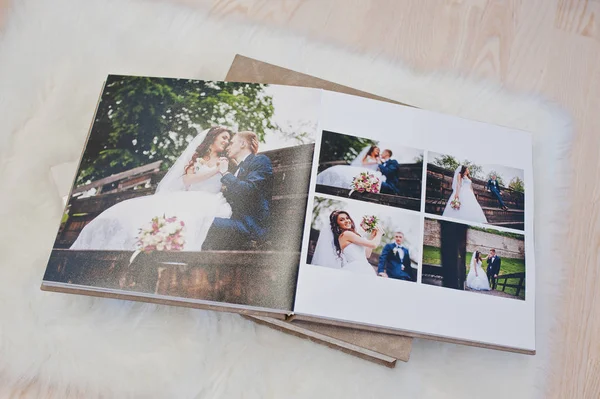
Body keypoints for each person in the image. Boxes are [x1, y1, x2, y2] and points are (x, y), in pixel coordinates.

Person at [70, 126, 234, 251]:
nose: (226, 141)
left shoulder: (225, 161)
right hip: (188, 196)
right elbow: (188, 180)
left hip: (209, 199)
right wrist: (214, 171)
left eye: (228, 140)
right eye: (224, 137)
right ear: (212, 137)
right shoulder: (196, 158)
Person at [201, 131, 273, 250]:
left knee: (203, 223)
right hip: (234, 220)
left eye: (231, 143)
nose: (227, 147)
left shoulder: (260, 161)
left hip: (250, 226)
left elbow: (249, 190)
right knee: (197, 218)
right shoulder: (237, 169)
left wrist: (225, 173)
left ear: (243, 144)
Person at [311, 210, 382, 275]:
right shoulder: (346, 234)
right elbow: (374, 245)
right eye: (342, 220)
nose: (347, 221)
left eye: (347, 218)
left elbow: (367, 255)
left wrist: (372, 237)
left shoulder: (350, 235)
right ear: (338, 225)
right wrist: (379, 233)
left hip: (364, 266)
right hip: (357, 268)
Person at [316, 145, 385, 191]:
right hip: (363, 169)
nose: (377, 152)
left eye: (378, 151)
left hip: (370, 172)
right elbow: (363, 163)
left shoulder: (377, 159)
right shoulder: (368, 156)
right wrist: (374, 162)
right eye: (376, 150)